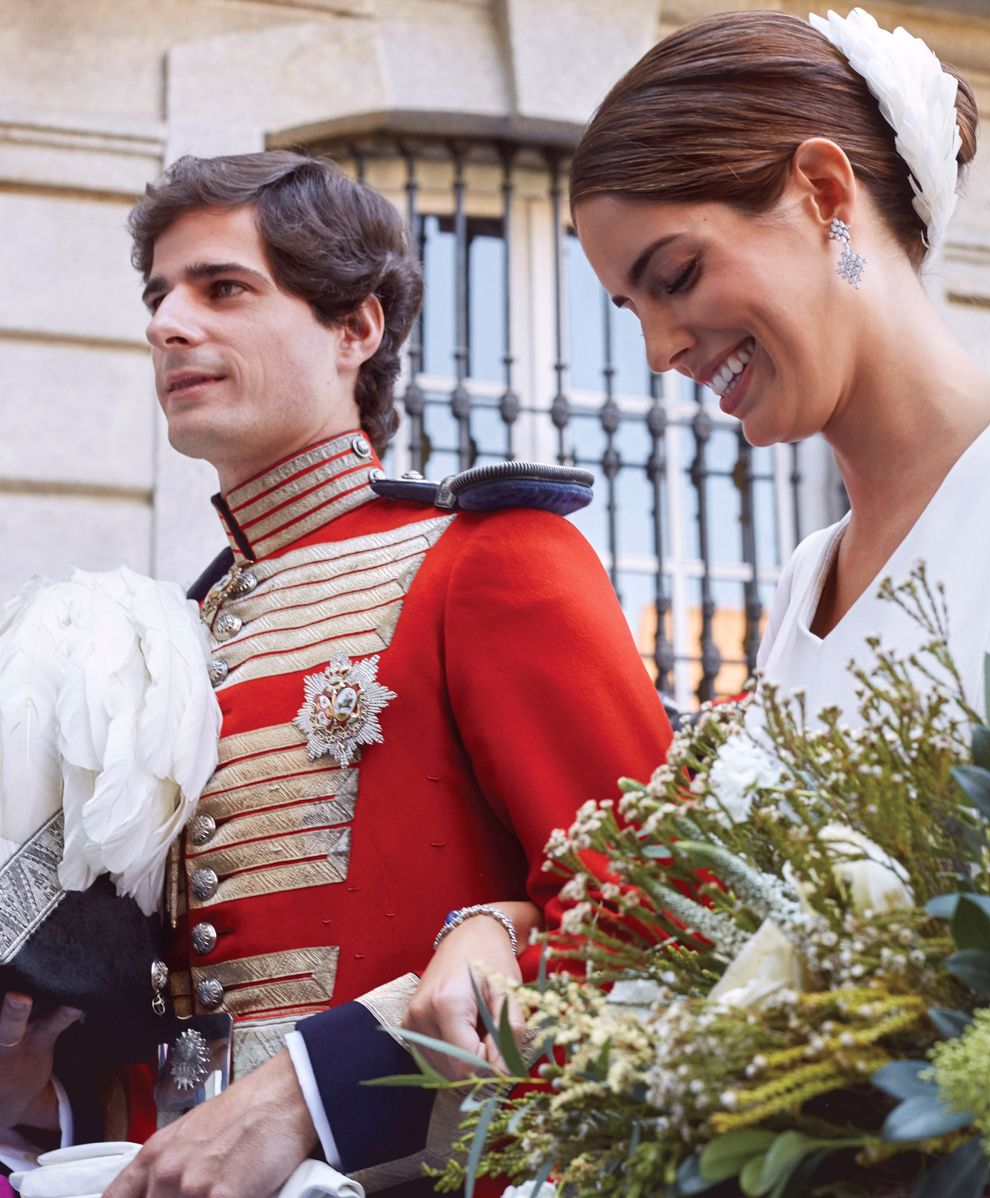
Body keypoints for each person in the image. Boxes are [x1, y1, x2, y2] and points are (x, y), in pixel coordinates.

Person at [0, 152, 671, 1196]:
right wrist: (48, 1090)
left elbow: (656, 920)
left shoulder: (487, 560)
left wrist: (323, 1086)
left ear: (356, 328)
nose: (167, 324)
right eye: (158, 296)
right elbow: (180, 1023)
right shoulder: (169, 632)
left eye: (223, 289)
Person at [569, 7, 990, 720]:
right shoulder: (804, 584)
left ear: (825, 193)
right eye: (632, 311)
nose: (659, 353)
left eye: (679, 274)